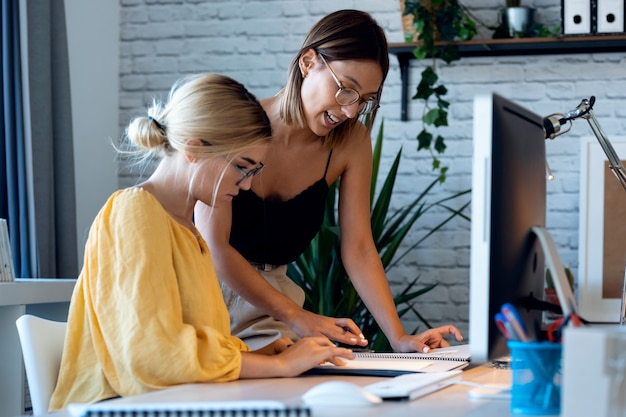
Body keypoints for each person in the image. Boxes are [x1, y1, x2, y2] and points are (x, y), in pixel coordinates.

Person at [49, 74, 353, 411]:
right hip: (112, 406)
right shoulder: (134, 211)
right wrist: (278, 366)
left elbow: (186, 342)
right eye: (242, 167)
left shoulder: (189, 231)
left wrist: (253, 355)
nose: (247, 186)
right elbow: (151, 354)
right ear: (194, 147)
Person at [194, 10, 464, 354]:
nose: (351, 112)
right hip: (206, 298)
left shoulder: (351, 142)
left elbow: (360, 249)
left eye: (365, 100)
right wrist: (297, 316)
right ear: (308, 62)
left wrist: (398, 337)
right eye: (346, 90)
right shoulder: (236, 125)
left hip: (275, 311)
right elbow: (215, 248)